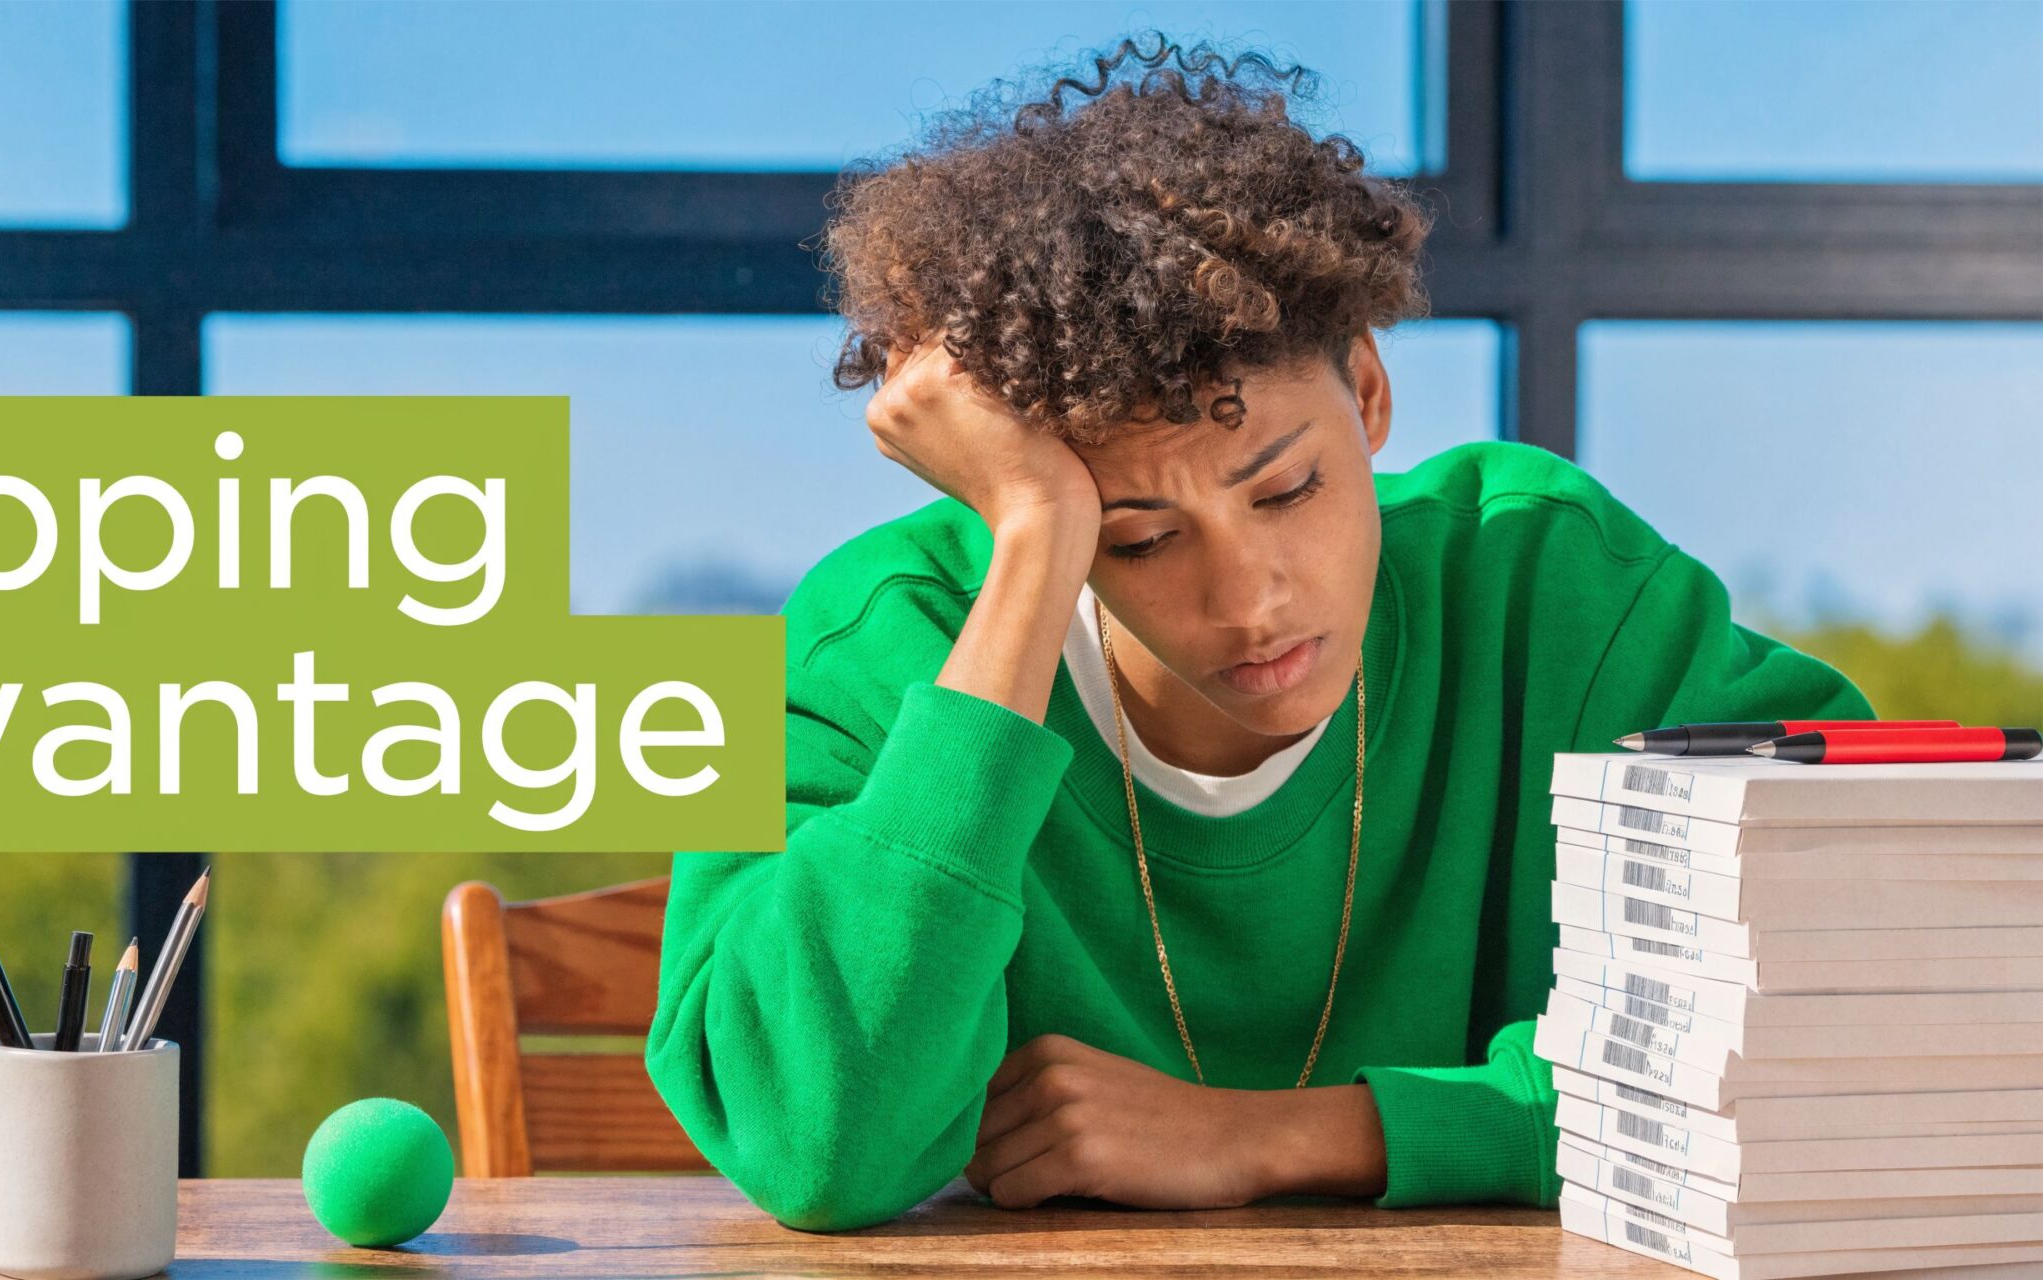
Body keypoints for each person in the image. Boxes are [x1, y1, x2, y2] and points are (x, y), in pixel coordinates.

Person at [642, 33, 1871, 1232]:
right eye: (1137, 536)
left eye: (1286, 490)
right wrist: (1035, 540)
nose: (1251, 600)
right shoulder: (878, 639)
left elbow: (1856, 990)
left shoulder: (1547, 585)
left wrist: (1282, 1134)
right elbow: (816, 1141)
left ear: (1369, 392)